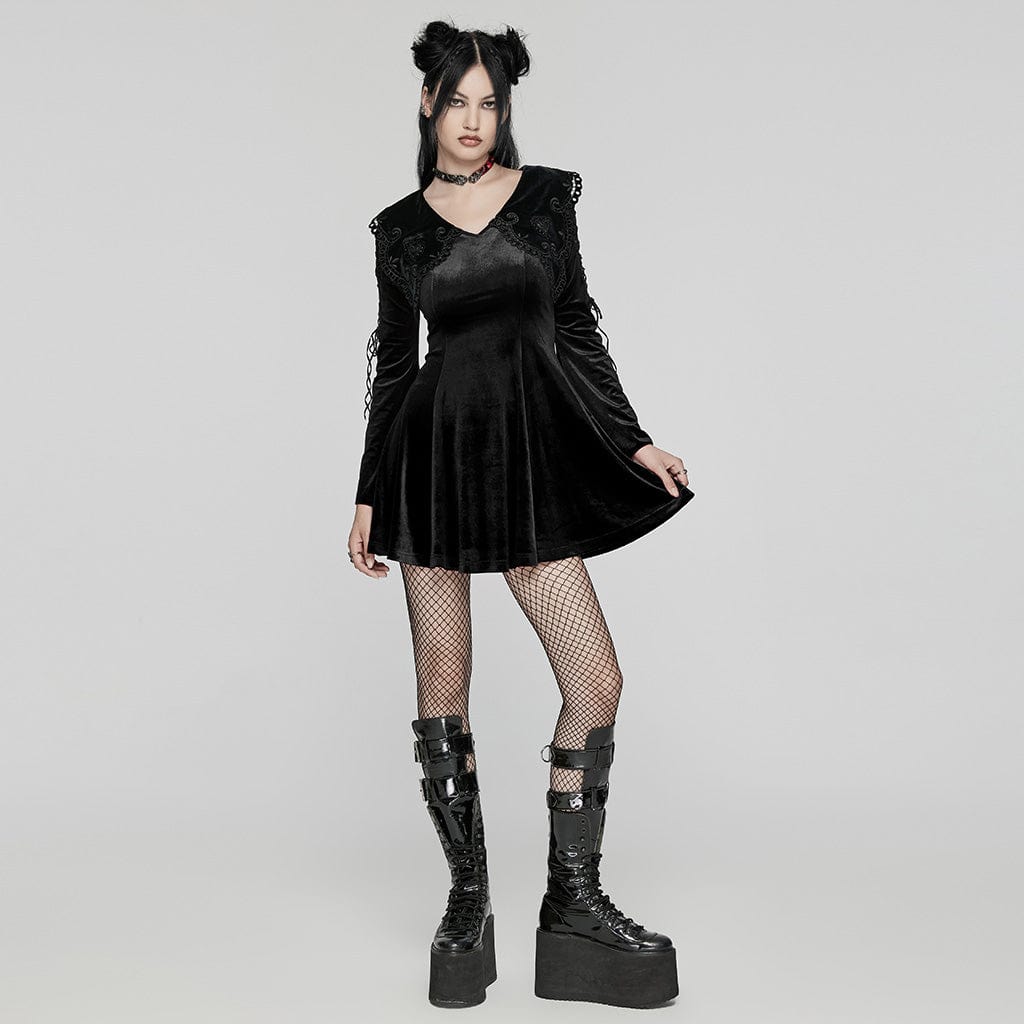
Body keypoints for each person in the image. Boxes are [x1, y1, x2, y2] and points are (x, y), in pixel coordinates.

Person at [348, 20, 695, 1010]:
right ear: (428, 103)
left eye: (488, 102)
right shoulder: (399, 230)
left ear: (504, 109)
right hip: (430, 464)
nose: (472, 119)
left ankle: (571, 901)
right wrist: (368, 490)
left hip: (528, 464)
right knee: (443, 678)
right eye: (456, 100)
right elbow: (394, 366)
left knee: (595, 678)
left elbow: (576, 324)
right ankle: (468, 900)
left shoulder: (544, 198)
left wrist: (632, 439)